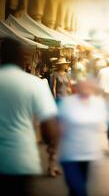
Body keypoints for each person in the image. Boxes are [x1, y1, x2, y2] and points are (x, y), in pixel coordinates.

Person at [0, 38, 60, 195]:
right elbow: (49, 128)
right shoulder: (35, 84)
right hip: (20, 159)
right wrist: (51, 148)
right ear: (22, 58)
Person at [58, 77, 109, 196]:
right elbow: (59, 127)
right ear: (76, 88)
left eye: (89, 86)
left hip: (89, 154)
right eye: (83, 86)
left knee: (76, 188)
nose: (86, 89)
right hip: (70, 154)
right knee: (79, 189)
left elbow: (106, 123)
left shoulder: (98, 104)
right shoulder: (67, 103)